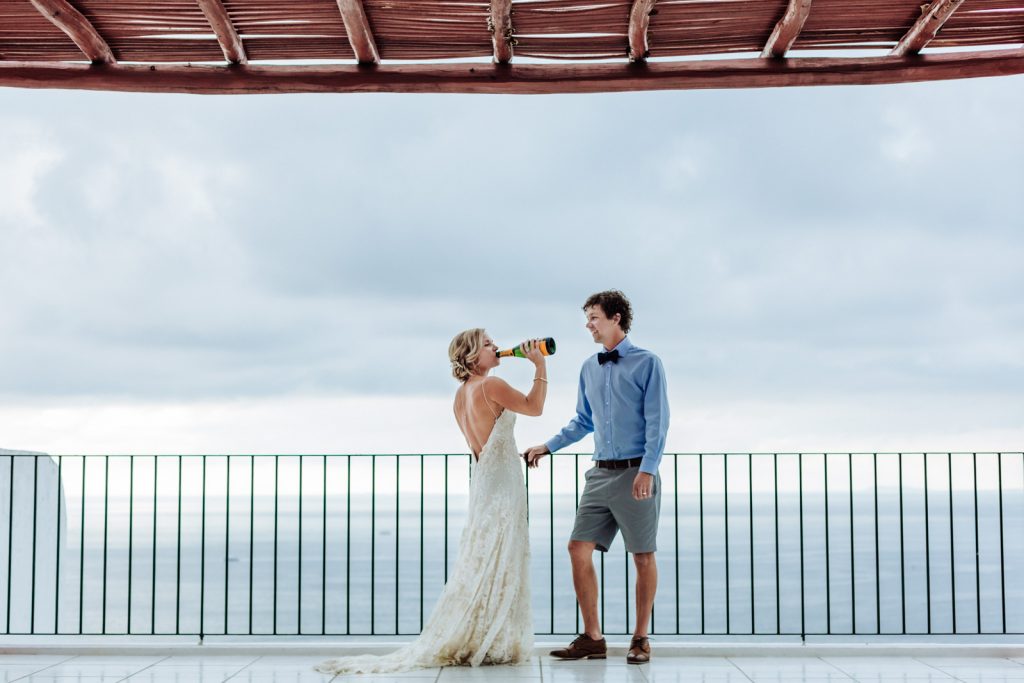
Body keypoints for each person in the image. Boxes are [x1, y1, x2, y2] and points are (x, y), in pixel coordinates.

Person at [316, 330, 548, 675]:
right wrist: (539, 365)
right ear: (471, 357)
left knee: (484, 558)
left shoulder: (460, 396)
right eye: (486, 344)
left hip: (484, 485)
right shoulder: (490, 386)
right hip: (501, 488)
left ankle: (483, 633)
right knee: (500, 558)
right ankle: (490, 637)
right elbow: (535, 407)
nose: (494, 346)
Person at [524, 290, 668, 665]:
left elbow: (658, 422)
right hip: (599, 474)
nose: (588, 325)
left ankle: (640, 638)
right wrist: (549, 446)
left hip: (637, 471)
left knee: (641, 556)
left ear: (616, 318)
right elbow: (583, 421)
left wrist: (648, 470)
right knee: (577, 548)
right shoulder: (589, 366)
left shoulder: (648, 363)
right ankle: (593, 637)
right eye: (587, 318)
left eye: (593, 318)